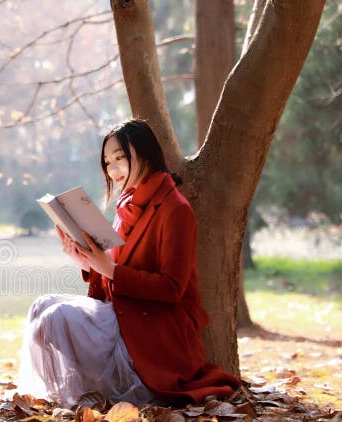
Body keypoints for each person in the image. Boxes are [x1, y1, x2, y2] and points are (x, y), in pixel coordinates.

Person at [18, 119, 241, 407]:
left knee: (55, 318)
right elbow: (113, 270)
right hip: (124, 313)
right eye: (108, 162)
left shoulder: (175, 209)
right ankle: (54, 398)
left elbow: (172, 288)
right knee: (41, 305)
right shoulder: (127, 205)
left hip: (155, 328)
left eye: (120, 158)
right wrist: (84, 261)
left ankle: (72, 398)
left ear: (145, 154)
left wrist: (108, 268)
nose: (113, 170)